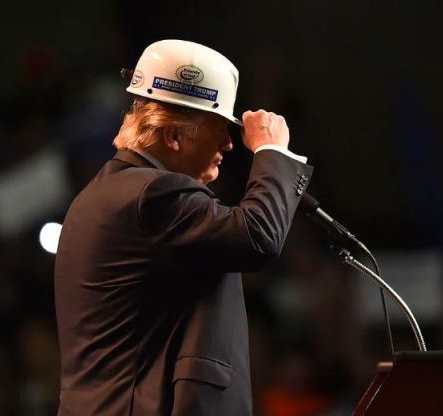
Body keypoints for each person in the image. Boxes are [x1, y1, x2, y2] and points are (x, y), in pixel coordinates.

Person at [54, 39, 313, 415]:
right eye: (218, 127)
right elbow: (258, 237)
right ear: (173, 135)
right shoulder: (152, 193)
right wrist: (273, 152)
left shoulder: (102, 194)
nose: (229, 144)